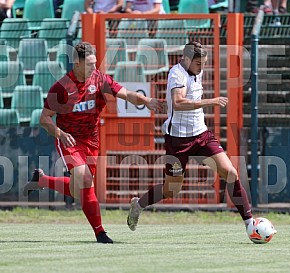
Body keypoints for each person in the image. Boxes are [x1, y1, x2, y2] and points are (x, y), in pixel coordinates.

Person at [23, 42, 162, 244]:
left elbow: (126, 94)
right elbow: (44, 119)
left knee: (77, 189)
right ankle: (100, 233)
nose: (94, 68)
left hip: (92, 140)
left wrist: (145, 100)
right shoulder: (61, 88)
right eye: (89, 64)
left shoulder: (99, 80)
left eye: (95, 63)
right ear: (77, 63)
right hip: (69, 139)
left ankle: (42, 181)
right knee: (85, 179)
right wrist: (60, 133)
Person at [127, 40, 254, 234]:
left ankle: (250, 224)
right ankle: (139, 204)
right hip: (178, 141)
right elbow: (178, 102)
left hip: (202, 135)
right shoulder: (177, 74)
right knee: (171, 190)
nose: (201, 67)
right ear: (185, 59)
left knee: (230, 173)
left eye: (204, 63)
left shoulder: (197, 70)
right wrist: (210, 101)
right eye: (198, 64)